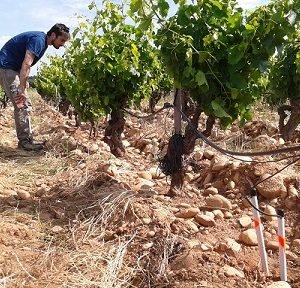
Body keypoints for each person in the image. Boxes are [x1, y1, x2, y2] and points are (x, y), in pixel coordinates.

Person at [0, 23, 70, 151]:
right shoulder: (39, 40)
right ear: (53, 35)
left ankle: (27, 139)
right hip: (7, 68)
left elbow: (27, 65)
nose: (63, 44)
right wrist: (21, 87)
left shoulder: (42, 42)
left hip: (11, 69)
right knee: (22, 104)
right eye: (62, 40)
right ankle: (24, 142)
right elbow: (27, 63)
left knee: (25, 103)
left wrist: (23, 81)